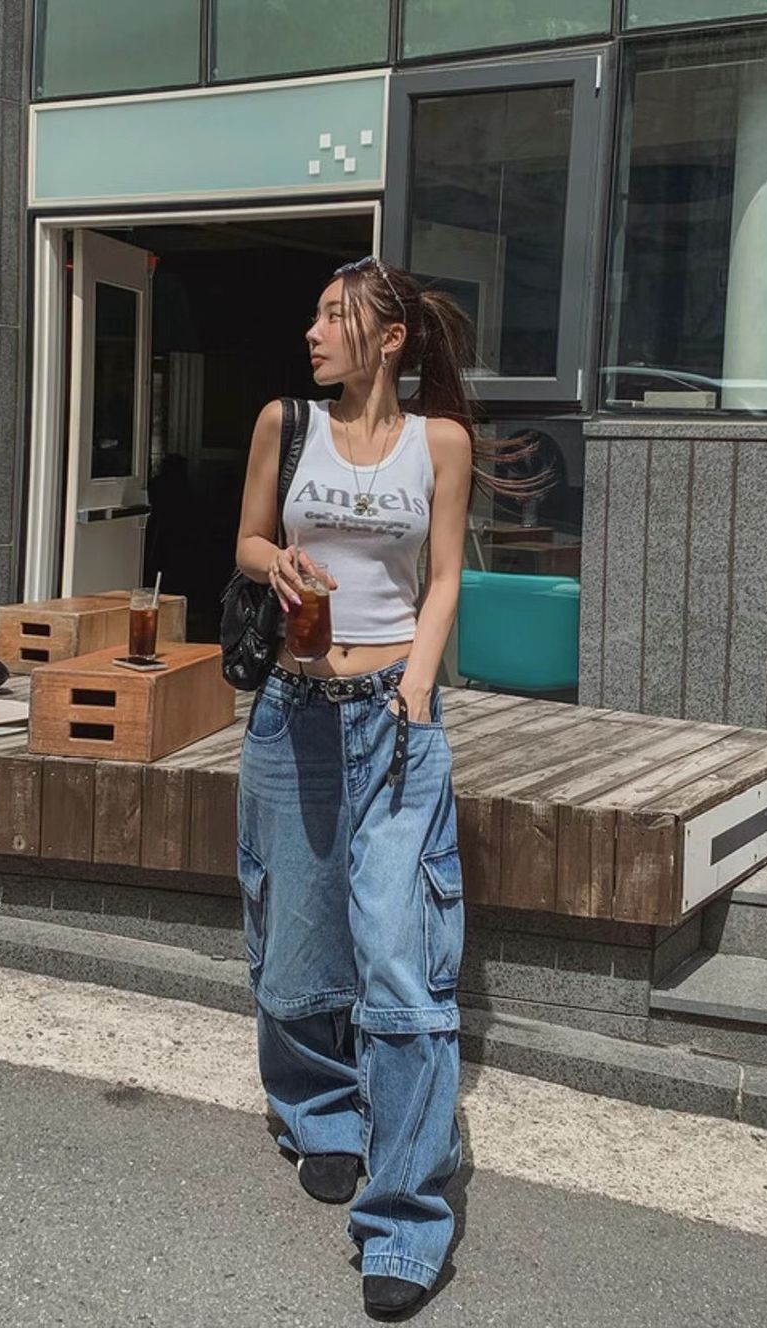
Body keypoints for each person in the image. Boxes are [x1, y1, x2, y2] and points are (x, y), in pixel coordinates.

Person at [233, 256, 482, 1318]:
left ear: (388, 338)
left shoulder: (441, 442)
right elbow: (248, 538)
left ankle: (407, 1217)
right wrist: (275, 565)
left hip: (393, 715)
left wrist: (419, 681)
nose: (314, 331)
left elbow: (444, 575)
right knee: (293, 944)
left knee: (399, 960)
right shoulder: (285, 423)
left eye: (335, 316)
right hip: (291, 714)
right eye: (315, 315)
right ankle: (322, 1113)